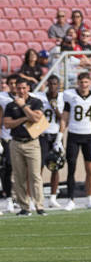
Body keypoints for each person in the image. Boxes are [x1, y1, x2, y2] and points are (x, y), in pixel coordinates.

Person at [59, 72, 91, 211]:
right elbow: (64, 118)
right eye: (81, 82)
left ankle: (89, 198)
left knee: (89, 169)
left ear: (90, 83)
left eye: (86, 82)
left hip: (89, 136)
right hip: (74, 135)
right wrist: (59, 137)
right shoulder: (71, 96)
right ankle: (71, 200)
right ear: (77, 82)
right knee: (71, 168)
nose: (84, 85)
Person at [3, 78, 46, 216]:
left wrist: (23, 106)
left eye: (23, 88)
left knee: (35, 175)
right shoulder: (10, 105)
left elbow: (35, 118)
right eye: (18, 88)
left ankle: (39, 206)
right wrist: (23, 118)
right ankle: (24, 207)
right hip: (15, 142)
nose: (21, 91)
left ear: (28, 88)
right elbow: (7, 124)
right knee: (18, 176)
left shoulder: (35, 102)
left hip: (32, 142)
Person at [36, 75, 64, 208]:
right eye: (50, 84)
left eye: (55, 84)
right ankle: (37, 197)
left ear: (58, 85)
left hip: (56, 135)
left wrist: (55, 108)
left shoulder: (62, 98)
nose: (52, 86)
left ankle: (53, 197)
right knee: (38, 167)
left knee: (55, 166)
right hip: (42, 134)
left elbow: (63, 119)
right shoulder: (40, 97)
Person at [0, 75, 18, 213]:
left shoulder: (29, 98)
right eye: (10, 83)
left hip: (22, 138)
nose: (13, 86)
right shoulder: (3, 98)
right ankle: (9, 199)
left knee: (23, 170)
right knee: (7, 169)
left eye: (15, 83)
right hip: (7, 138)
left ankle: (22, 198)